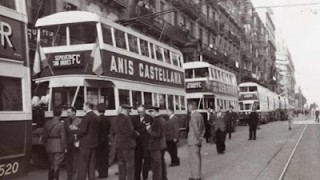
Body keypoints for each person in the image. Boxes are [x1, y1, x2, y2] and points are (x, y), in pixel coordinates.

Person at [75, 102, 99, 180]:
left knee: (83, 164)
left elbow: (83, 130)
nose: (83, 107)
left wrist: (77, 134)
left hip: (85, 144)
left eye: (83, 106)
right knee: (92, 165)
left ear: (87, 106)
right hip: (94, 143)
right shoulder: (96, 117)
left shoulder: (86, 117)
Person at [114, 104, 138, 180]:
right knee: (130, 164)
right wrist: (136, 133)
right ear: (126, 110)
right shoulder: (127, 119)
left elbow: (113, 131)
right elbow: (130, 132)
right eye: (129, 111)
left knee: (121, 164)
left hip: (118, 144)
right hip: (127, 144)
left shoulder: (115, 118)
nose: (129, 113)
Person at [42, 108, 67, 180]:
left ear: (53, 114)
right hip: (58, 146)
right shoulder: (61, 124)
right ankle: (56, 178)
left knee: (51, 164)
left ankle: (50, 178)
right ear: (60, 114)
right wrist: (66, 146)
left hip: (49, 145)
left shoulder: (47, 123)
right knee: (56, 164)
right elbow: (63, 137)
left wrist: (45, 144)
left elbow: (44, 136)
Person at [132, 105, 153, 180]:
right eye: (138, 112)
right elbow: (132, 129)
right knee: (137, 161)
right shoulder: (134, 119)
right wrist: (135, 132)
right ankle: (137, 177)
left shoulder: (150, 118)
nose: (140, 113)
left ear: (145, 111)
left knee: (146, 160)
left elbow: (151, 130)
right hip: (137, 143)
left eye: (141, 112)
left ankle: (145, 176)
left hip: (146, 143)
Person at [147, 106, 167, 180]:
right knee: (161, 163)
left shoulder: (156, 120)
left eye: (151, 112)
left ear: (155, 111)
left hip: (155, 146)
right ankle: (164, 178)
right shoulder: (162, 119)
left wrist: (149, 129)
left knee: (156, 165)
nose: (150, 113)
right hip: (162, 145)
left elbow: (157, 133)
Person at [187, 101, 205, 180]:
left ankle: (196, 176)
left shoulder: (193, 116)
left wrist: (199, 139)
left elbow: (196, 130)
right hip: (197, 140)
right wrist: (201, 137)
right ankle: (195, 174)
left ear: (191, 107)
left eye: (188, 106)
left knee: (194, 158)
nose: (187, 108)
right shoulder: (200, 115)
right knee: (197, 158)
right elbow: (203, 128)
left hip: (193, 140)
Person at [64, 107, 82, 180]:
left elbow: (83, 131)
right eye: (67, 112)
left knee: (75, 162)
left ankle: (75, 177)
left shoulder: (80, 121)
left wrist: (77, 129)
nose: (67, 113)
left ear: (74, 112)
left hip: (75, 144)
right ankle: (69, 177)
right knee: (68, 162)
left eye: (69, 112)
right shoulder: (66, 121)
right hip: (68, 145)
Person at [96, 103, 111, 178]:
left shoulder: (97, 119)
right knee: (105, 157)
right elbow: (109, 130)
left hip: (98, 140)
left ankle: (101, 173)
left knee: (99, 157)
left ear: (98, 110)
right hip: (105, 140)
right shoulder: (108, 119)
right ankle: (105, 173)